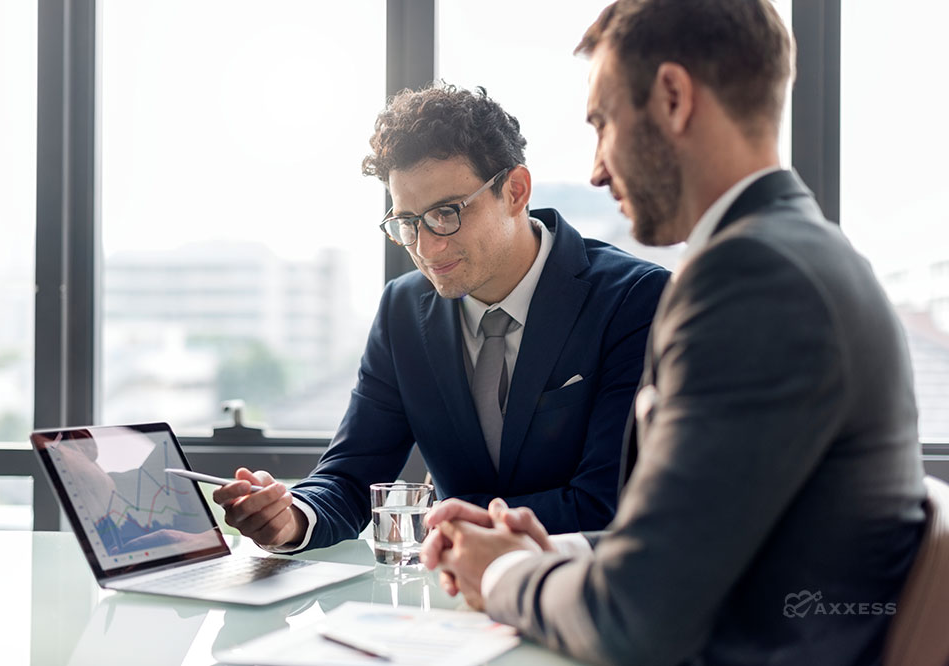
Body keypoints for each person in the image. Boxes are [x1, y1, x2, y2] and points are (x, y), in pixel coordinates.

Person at [420, 2, 928, 664]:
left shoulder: (753, 279)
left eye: (602, 124)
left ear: (672, 97)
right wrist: (550, 549)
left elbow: (635, 618)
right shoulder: (804, 254)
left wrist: (500, 574)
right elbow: (707, 541)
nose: (598, 168)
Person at [212, 84, 669, 553]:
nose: (427, 248)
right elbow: (351, 475)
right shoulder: (402, 310)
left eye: (446, 213)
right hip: (448, 601)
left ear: (515, 191)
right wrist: (290, 517)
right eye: (407, 222)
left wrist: (448, 525)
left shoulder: (634, 301)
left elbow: (607, 504)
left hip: (581, 596)